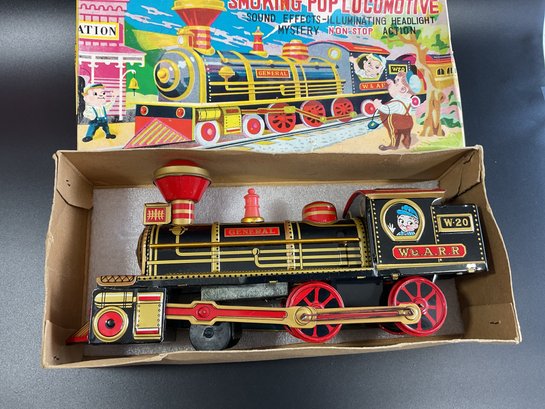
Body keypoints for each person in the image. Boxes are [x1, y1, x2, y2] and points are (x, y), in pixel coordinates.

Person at [372, 71, 420, 150]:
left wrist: (378, 105)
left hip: (398, 122)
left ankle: (393, 145)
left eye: (396, 83)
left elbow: (387, 109)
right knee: (407, 133)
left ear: (403, 89)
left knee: (394, 132)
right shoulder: (408, 101)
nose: (394, 85)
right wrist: (391, 84)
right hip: (409, 121)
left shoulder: (397, 102)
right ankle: (407, 142)